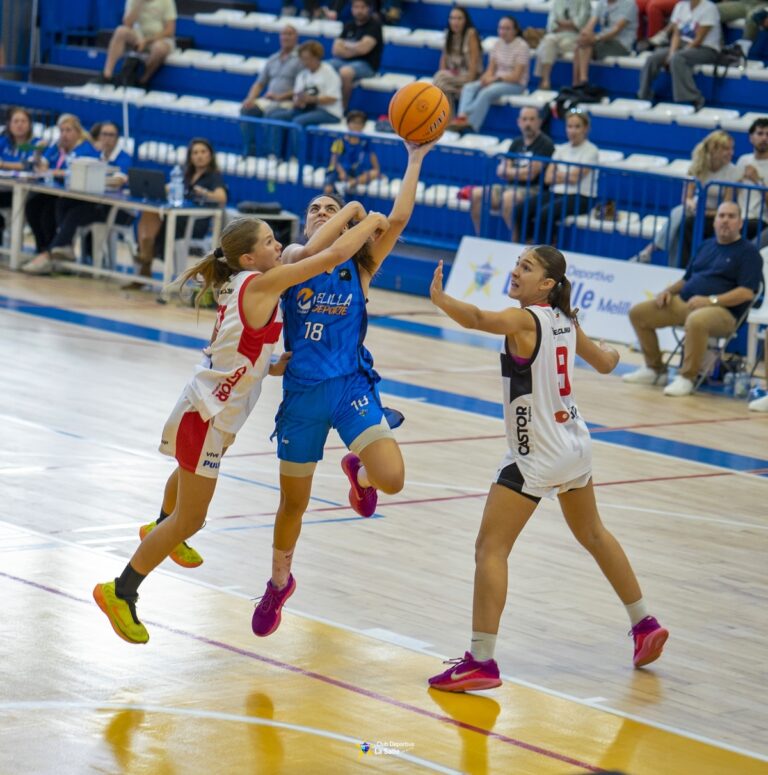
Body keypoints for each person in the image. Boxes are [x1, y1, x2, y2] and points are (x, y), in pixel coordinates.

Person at [93, 210, 389, 644]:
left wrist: (271, 364)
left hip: (207, 407)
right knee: (190, 519)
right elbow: (333, 253)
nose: (278, 247)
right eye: (270, 242)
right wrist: (363, 218)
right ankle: (121, 590)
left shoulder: (245, 282)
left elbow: (243, 345)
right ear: (250, 258)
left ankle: (159, 525)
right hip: (209, 417)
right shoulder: (264, 283)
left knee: (184, 490)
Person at [426, 245, 669, 692]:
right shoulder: (566, 321)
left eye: (527, 267)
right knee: (594, 534)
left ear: (546, 285)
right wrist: (615, 353)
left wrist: (441, 300)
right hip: (574, 444)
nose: (516, 271)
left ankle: (481, 661)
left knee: (490, 549)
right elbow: (605, 363)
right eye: (517, 263)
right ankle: (644, 623)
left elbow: (479, 319)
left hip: (535, 452)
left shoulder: (527, 319)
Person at [249, 140, 436, 638]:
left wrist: (415, 159)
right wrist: (353, 208)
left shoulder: (361, 265)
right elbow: (315, 250)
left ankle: (361, 471)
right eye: (314, 208)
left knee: (392, 479)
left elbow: (396, 218)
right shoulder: (292, 256)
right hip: (303, 395)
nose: (320, 212)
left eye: (329, 208)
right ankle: (279, 583)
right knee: (294, 503)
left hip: (351, 384)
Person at [624, 201, 763, 397]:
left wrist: (710, 300)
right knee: (639, 313)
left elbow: (747, 293)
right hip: (686, 303)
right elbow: (687, 279)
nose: (725, 221)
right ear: (714, 222)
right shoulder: (706, 246)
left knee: (697, 320)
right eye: (721, 216)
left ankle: (687, 377)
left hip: (723, 312)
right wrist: (668, 291)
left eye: (731, 217)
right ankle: (655, 369)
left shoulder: (749, 253)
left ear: (740, 223)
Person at [130, 137, 227, 287]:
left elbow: (222, 198)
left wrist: (205, 193)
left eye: (203, 152)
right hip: (178, 217)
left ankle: (145, 259)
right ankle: (146, 255)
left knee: (163, 221)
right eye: (195, 152)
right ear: (190, 156)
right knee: (150, 211)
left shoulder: (214, 176)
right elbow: (169, 188)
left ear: (210, 155)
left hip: (195, 222)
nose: (199, 156)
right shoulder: (185, 174)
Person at [633, 130, 738, 266]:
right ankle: (671, 266)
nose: (731, 152)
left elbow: (727, 204)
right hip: (694, 210)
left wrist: (706, 213)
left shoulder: (732, 171)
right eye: (726, 148)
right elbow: (686, 197)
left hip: (715, 214)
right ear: (714, 149)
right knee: (679, 217)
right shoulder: (697, 167)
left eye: (732, 148)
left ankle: (650, 250)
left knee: (678, 217)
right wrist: (691, 205)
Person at [21, 114, 99, 276]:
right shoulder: (57, 146)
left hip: (79, 197)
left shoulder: (86, 149)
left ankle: (51, 254)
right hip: (56, 191)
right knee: (32, 206)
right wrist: (37, 154)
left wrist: (55, 171)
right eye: (61, 130)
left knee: (49, 212)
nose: (64, 134)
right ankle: (42, 249)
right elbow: (43, 164)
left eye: (68, 130)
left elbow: (81, 171)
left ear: (78, 132)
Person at [470, 106, 555, 237]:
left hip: (534, 190)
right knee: (476, 194)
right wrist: (520, 172)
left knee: (508, 198)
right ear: (519, 122)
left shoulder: (546, 144)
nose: (528, 123)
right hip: (510, 186)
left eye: (532, 119)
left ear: (539, 121)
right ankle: (480, 237)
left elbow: (531, 174)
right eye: (525, 119)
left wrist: (510, 171)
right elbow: (500, 170)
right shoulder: (516, 143)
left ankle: (515, 242)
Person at [518, 109, 598, 244]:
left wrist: (559, 175)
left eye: (577, 126)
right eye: (569, 126)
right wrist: (567, 175)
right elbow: (548, 178)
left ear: (586, 129)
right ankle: (527, 244)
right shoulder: (560, 149)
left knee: (544, 214)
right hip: (557, 192)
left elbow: (575, 179)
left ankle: (545, 252)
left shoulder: (591, 151)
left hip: (581, 196)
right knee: (521, 209)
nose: (572, 131)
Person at [637, 0, 721, 112]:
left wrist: (676, 55)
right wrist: (671, 53)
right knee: (653, 58)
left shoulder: (709, 8)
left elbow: (699, 39)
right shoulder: (680, 6)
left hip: (706, 49)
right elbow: (677, 34)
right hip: (683, 45)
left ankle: (693, 98)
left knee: (678, 58)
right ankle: (644, 94)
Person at [451, 16, 530, 134]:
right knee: (469, 87)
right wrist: (485, 78)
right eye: (501, 28)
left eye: (507, 28)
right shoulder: (497, 44)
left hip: (515, 85)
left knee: (486, 92)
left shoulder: (522, 46)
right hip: (496, 80)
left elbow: (516, 76)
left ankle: (471, 125)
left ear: (515, 30)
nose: (503, 31)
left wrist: (494, 79)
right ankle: (462, 117)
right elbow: (490, 69)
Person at [269, 40, 344, 157]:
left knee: (298, 121)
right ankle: (274, 154)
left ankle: (297, 157)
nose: (305, 62)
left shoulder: (329, 72)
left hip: (328, 111)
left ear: (317, 57)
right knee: (275, 116)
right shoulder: (302, 75)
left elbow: (333, 98)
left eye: (308, 58)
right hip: (307, 109)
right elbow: (297, 95)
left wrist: (312, 99)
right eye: (302, 58)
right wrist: (298, 101)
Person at [240, 26, 303, 157]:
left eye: (290, 34)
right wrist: (250, 98)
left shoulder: (301, 59)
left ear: (296, 37)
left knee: (273, 114)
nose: (286, 37)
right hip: (270, 100)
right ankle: (249, 151)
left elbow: (302, 87)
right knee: (247, 109)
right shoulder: (273, 58)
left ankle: (273, 155)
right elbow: (259, 83)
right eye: (284, 34)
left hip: (289, 102)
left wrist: (280, 96)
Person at [99, 0, 177, 88]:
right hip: (138, 37)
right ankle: (107, 75)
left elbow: (170, 30)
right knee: (120, 31)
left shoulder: (167, 1)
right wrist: (138, 4)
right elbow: (127, 24)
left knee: (159, 48)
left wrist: (146, 40)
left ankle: (142, 80)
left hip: (159, 39)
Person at [328, 0, 384, 109]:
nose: (359, 11)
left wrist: (346, 46)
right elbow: (335, 50)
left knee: (345, 72)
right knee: (325, 67)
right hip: (345, 61)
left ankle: (342, 108)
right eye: (356, 7)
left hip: (367, 65)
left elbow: (363, 49)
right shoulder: (349, 24)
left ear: (369, 8)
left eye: (362, 7)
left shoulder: (374, 25)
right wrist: (355, 48)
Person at [573, 0, 638, 85]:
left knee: (585, 45)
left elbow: (616, 30)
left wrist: (596, 38)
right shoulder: (601, 3)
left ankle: (582, 82)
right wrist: (584, 35)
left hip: (621, 44)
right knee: (580, 44)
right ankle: (577, 84)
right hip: (603, 41)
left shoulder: (629, 4)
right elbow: (590, 24)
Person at [432, 7, 482, 112]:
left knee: (440, 82)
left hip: (470, 75)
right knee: (441, 82)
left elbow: (474, 61)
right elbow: (444, 59)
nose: (455, 22)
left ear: (465, 20)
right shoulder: (448, 34)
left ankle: (445, 120)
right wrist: (443, 73)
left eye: (459, 18)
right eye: (452, 18)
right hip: (453, 76)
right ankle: (448, 121)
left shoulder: (471, 34)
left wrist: (469, 83)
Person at [535, 0, 592, 91]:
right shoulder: (557, 2)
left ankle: (576, 84)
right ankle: (545, 80)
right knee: (547, 41)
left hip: (575, 36)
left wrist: (563, 24)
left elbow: (581, 23)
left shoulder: (584, 2)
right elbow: (551, 25)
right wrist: (570, 24)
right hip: (557, 34)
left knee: (562, 43)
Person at [0, 107, 39, 240]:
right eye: (16, 121)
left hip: (26, 193)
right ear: (9, 124)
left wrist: (3, 164)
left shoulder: (35, 143)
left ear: (29, 125)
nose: (19, 125)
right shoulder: (4, 141)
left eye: (23, 121)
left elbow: (28, 165)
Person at [323, 110, 380, 195]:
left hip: (355, 172)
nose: (356, 125)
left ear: (363, 125)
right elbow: (334, 161)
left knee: (374, 173)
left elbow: (376, 167)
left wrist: (375, 173)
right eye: (354, 122)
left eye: (360, 123)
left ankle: (349, 184)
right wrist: (342, 173)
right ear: (348, 124)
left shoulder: (366, 141)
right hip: (338, 171)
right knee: (328, 189)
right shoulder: (339, 140)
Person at [736, 117, 768, 243]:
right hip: (739, 218)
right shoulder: (743, 160)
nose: (764, 138)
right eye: (760, 133)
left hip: (762, 220)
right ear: (751, 138)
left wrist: (758, 181)